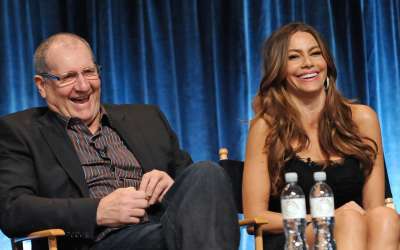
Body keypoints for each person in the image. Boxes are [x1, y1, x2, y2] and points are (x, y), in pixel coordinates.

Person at [0, 33, 240, 250]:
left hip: (168, 229)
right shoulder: (20, 131)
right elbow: (13, 210)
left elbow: (202, 194)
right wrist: (97, 211)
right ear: (42, 85)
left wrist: (173, 185)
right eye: (69, 77)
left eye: (89, 72)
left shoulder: (147, 118)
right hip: (100, 241)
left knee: (207, 172)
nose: (83, 86)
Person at [242, 22, 400, 250]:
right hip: (294, 237)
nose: (308, 63)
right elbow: (255, 216)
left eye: (315, 53)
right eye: (294, 57)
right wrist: (324, 218)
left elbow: (374, 208)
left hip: (359, 231)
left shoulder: (363, 119)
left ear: (326, 62)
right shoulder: (265, 126)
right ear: (278, 69)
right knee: (349, 221)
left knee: (385, 218)